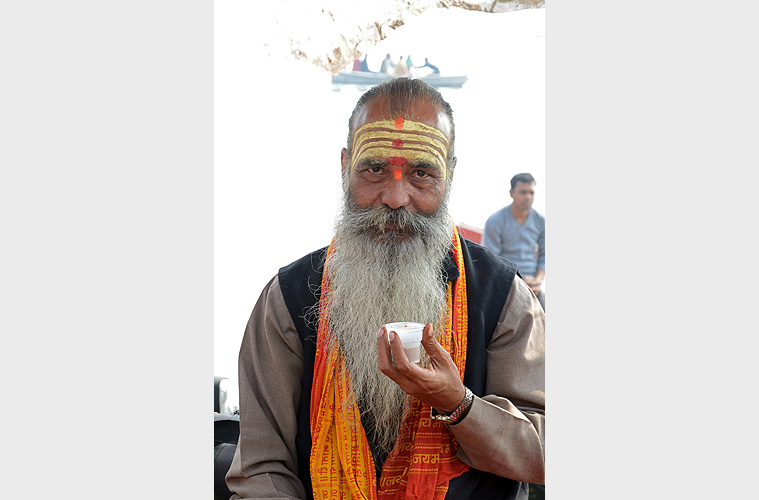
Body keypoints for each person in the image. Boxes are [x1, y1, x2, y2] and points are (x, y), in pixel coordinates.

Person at [225, 78, 545, 500]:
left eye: (421, 173)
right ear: (344, 166)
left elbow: (542, 455)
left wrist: (459, 404)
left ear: (449, 173)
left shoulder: (503, 297)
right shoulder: (287, 299)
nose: (395, 197)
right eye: (374, 169)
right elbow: (261, 467)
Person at [482, 173, 546, 310]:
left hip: (533, 284)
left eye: (531, 192)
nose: (528, 197)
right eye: (523, 192)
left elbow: (544, 256)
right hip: (507, 282)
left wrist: (538, 280)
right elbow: (492, 261)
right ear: (512, 193)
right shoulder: (495, 221)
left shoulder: (541, 221)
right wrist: (519, 282)